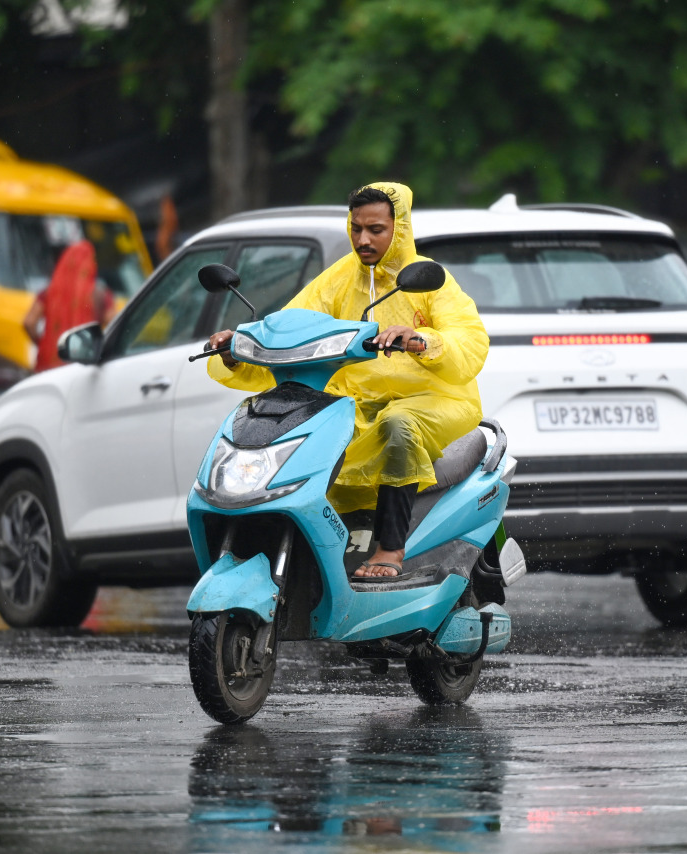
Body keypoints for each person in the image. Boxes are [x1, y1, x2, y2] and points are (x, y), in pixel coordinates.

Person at [206, 182, 488, 579]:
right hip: (355, 401)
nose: (363, 239)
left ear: (400, 228)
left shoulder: (428, 281)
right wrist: (236, 347)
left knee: (398, 425)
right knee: (309, 429)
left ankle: (390, 549)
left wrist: (422, 340)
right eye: (356, 228)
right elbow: (289, 331)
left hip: (434, 399)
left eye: (376, 229)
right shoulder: (338, 279)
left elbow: (470, 342)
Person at [23, 238, 115, 372]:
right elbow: (114, 323)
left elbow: (29, 322)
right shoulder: (100, 295)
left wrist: (42, 342)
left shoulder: (50, 292)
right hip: (83, 364)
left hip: (50, 363)